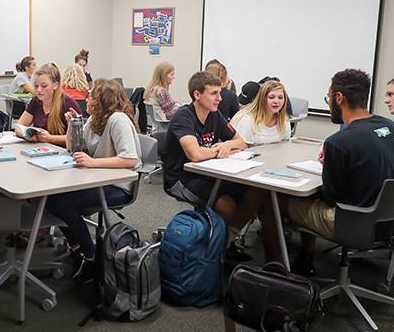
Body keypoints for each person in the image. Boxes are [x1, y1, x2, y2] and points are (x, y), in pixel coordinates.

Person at [284, 69, 394, 275]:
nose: (329, 103)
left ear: (339, 98)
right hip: (387, 221)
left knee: (280, 200)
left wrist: (332, 166)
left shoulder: (338, 142)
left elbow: (329, 198)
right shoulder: (389, 126)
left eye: (328, 98)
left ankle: (280, 270)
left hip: (352, 222)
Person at [162, 71, 266, 261]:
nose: (220, 98)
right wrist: (218, 150)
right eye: (214, 93)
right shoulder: (184, 117)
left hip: (209, 173)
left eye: (220, 92)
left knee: (256, 192)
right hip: (180, 178)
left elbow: (241, 142)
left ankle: (224, 242)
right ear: (197, 94)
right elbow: (194, 154)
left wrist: (226, 144)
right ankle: (219, 247)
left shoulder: (214, 115)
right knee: (227, 205)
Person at [46, 79, 142, 282]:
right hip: (98, 179)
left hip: (119, 185)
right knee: (52, 198)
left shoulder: (118, 120)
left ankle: (91, 256)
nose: (87, 98)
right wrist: (74, 126)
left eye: (91, 95)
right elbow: (76, 148)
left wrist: (92, 163)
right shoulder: (94, 118)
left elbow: (129, 159)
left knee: (61, 202)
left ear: (101, 100)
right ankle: (78, 248)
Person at [15, 62, 81, 146]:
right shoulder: (36, 101)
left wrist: (51, 138)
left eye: (44, 86)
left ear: (55, 85)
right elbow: (19, 126)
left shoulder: (68, 104)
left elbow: (77, 138)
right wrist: (26, 135)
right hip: (41, 149)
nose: (38, 90)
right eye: (35, 86)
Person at [230, 80, 291, 145]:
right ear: (262, 99)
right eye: (271, 97)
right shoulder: (247, 119)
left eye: (280, 98)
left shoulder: (284, 120)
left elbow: (285, 145)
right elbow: (240, 147)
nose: (276, 101)